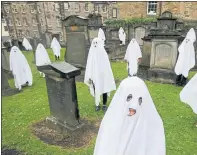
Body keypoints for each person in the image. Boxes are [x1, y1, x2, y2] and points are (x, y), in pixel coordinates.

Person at [94, 76, 166, 155]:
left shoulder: (153, 125)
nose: (134, 106)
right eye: (129, 98)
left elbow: (155, 148)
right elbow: (105, 147)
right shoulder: (111, 123)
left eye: (139, 100)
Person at [84, 37, 116, 112]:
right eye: (94, 43)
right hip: (95, 75)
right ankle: (97, 104)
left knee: (104, 89)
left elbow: (107, 66)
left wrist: (106, 75)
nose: (95, 45)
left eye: (96, 43)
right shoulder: (91, 54)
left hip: (103, 75)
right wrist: (90, 75)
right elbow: (89, 65)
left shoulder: (103, 53)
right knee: (96, 89)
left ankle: (104, 104)